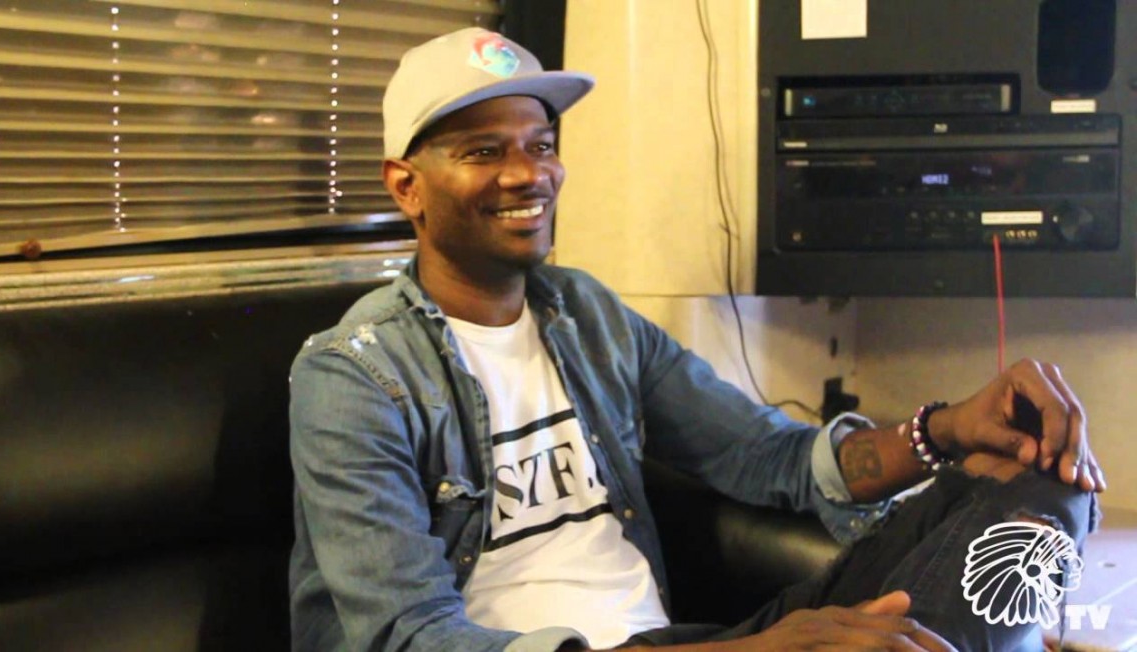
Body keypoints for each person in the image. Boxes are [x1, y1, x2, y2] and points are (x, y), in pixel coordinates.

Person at [288, 27, 1102, 652]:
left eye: (540, 145)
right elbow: (411, 638)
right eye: (483, 151)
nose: (528, 173)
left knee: (1039, 481)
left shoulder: (587, 317)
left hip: (678, 644)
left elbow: (772, 456)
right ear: (407, 187)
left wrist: (949, 430)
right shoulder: (354, 377)